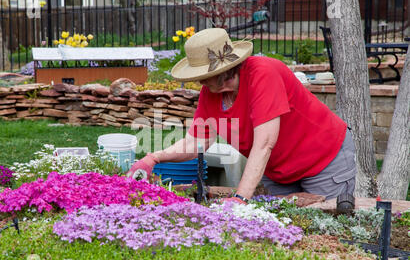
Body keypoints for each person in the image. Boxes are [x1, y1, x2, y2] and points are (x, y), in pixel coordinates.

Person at [127, 28, 356, 206]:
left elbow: (264, 144)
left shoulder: (263, 73)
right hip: (278, 171)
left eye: (201, 75)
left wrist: (240, 199)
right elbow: (197, 141)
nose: (198, 82)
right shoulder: (211, 92)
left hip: (324, 160)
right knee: (281, 227)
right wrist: (153, 158)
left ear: (221, 71)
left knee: (325, 228)